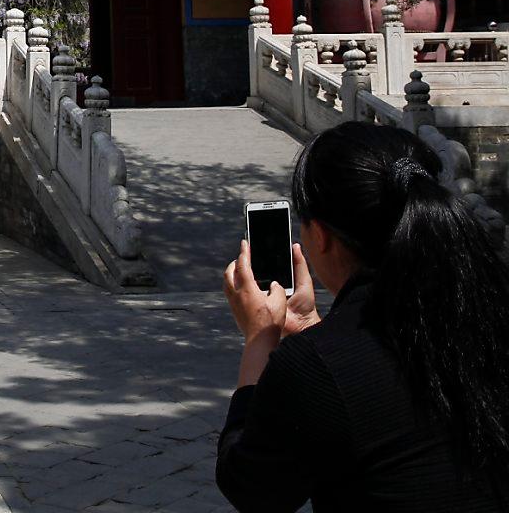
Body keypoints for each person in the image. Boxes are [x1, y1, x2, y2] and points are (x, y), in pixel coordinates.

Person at [217, 122, 509, 511]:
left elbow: (253, 487)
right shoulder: (484, 312)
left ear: (320, 236)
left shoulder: (313, 364)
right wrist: (313, 329)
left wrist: (259, 340)